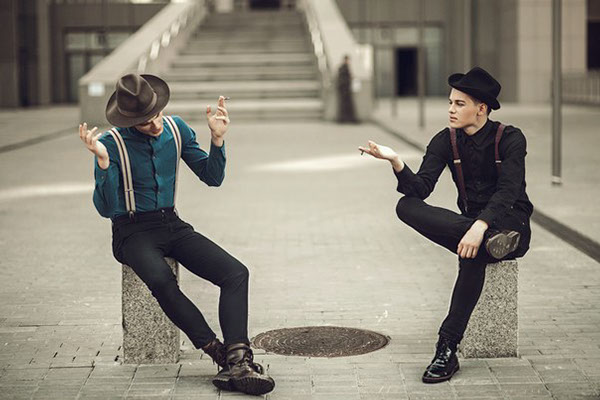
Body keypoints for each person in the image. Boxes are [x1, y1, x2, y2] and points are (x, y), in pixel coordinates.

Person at [78, 73, 275, 396]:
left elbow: (212, 177)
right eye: (145, 122)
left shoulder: (176, 129)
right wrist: (102, 163)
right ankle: (219, 354)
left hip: (171, 223)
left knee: (236, 273)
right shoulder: (112, 144)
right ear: (129, 121)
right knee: (161, 281)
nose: (155, 124)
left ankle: (239, 359)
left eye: (156, 114)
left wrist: (217, 140)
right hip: (131, 232)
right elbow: (106, 208)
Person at [359, 67, 533, 383]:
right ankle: (488, 242)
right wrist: (396, 161)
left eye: (459, 104)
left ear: (481, 108)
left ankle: (447, 347)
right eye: (450, 102)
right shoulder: (446, 140)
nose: (451, 109)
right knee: (406, 205)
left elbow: (509, 191)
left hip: (510, 223)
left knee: (473, 254)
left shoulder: (510, 138)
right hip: (471, 228)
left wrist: (480, 226)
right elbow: (421, 189)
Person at [337, 54, 359, 123]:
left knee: (344, 104)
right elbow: (345, 78)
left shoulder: (342, 67)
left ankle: (344, 119)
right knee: (347, 104)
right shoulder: (344, 67)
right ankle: (349, 119)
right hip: (345, 88)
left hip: (344, 88)